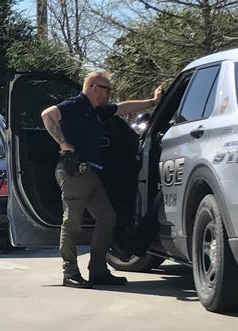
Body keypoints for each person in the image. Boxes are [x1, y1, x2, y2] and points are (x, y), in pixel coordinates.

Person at [41, 71, 163, 288]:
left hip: (91, 173)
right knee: (72, 223)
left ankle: (98, 270)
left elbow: (124, 107)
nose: (110, 95)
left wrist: (153, 102)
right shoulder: (75, 104)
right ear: (94, 87)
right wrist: (63, 143)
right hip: (74, 172)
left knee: (108, 218)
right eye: (107, 90)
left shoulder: (97, 110)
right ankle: (70, 273)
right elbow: (47, 115)